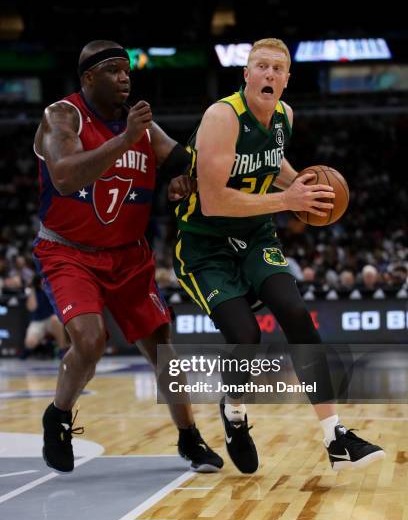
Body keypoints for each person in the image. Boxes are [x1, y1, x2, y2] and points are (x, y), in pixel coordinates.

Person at [174, 38, 385, 474]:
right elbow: (213, 201)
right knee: (244, 334)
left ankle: (335, 436)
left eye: (277, 69)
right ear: (246, 74)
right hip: (204, 243)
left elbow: (273, 164)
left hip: (255, 235)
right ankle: (234, 414)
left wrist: (304, 186)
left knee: (294, 311)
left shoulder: (285, 116)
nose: (269, 75)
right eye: (261, 67)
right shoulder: (222, 116)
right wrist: (288, 199)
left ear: (287, 80)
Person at [33, 40, 223, 474]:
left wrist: (181, 181)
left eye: (127, 71)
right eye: (114, 70)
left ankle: (189, 437)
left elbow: (183, 162)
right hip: (69, 251)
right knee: (90, 339)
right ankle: (58, 416)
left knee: (163, 350)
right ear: (88, 78)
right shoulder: (62, 116)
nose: (125, 78)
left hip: (129, 256)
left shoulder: (138, 125)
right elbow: (63, 177)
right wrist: (126, 139)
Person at [23, 274, 69, 358]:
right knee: (30, 343)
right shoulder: (34, 291)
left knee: (55, 319)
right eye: (40, 281)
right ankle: (42, 347)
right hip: (38, 321)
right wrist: (32, 288)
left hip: (52, 319)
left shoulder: (51, 290)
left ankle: (62, 349)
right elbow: (32, 307)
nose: (43, 283)